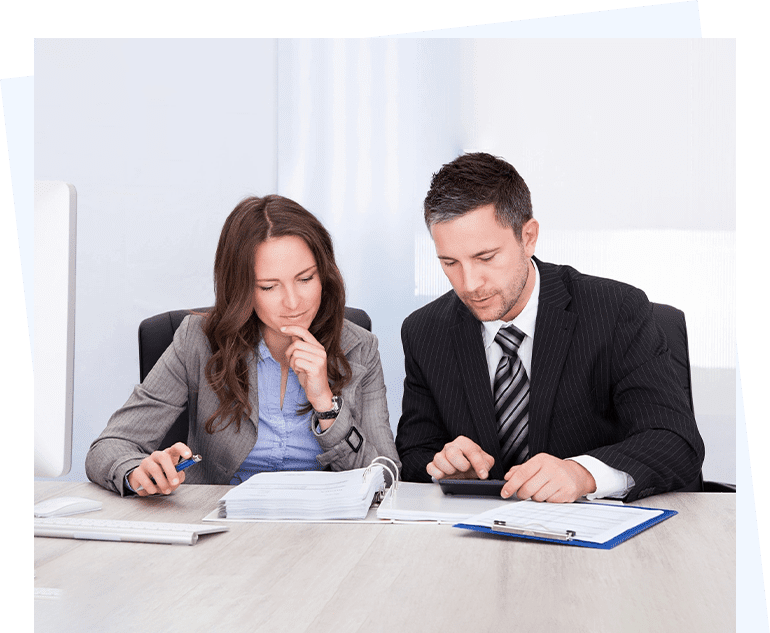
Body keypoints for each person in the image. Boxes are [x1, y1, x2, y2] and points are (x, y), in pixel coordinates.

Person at [396, 152, 704, 503]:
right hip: (477, 537)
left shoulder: (616, 311)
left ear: (528, 237)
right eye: (450, 262)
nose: (469, 284)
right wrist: (445, 466)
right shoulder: (424, 332)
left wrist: (583, 474)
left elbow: (675, 441)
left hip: (596, 538)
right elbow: (415, 454)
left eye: (485, 258)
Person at [86, 195, 399, 496]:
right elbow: (109, 446)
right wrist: (137, 470)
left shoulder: (360, 347)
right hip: (223, 528)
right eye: (268, 286)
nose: (293, 302)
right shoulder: (198, 340)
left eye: (305, 279)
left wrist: (325, 403)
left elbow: (386, 474)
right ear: (242, 288)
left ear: (324, 275)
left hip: (326, 530)